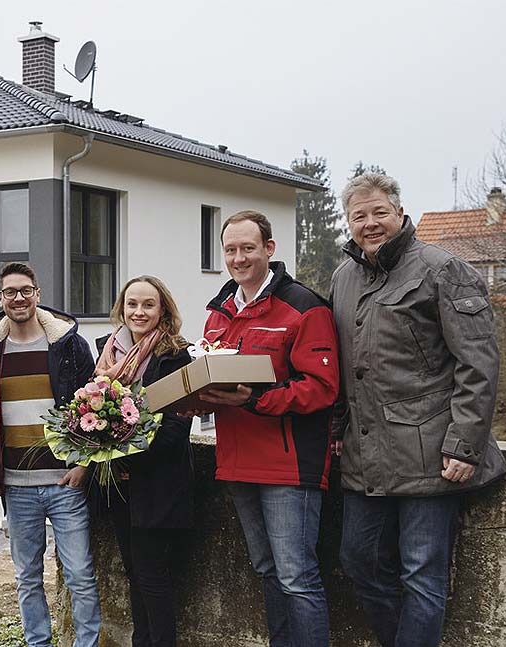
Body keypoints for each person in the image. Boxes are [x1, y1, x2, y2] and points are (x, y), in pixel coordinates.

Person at [331, 172, 506, 647]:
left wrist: (465, 446)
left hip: (432, 453)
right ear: (348, 223)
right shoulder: (343, 276)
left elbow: (478, 363)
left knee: (422, 575)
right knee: (358, 560)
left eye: (379, 212)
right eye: (358, 215)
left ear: (400, 212)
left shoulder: (443, 268)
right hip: (364, 454)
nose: (370, 223)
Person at [194, 210, 339, 647]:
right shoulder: (218, 313)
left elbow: (322, 388)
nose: (238, 258)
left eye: (248, 248)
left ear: (269, 250)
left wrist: (255, 400)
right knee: (267, 570)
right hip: (237, 461)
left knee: (297, 575)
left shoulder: (304, 306)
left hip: (289, 466)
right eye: (231, 249)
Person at [0, 262, 101, 647]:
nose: (19, 298)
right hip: (16, 487)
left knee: (80, 574)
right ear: (1, 299)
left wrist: (84, 464)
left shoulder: (67, 345)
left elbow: (94, 407)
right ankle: (38, 643)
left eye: (26, 290)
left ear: (38, 294)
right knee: (27, 577)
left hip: (66, 481)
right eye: (10, 292)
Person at [95, 275, 194, 647]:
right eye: (131, 304)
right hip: (120, 488)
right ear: (121, 308)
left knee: (153, 576)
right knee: (134, 574)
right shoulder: (107, 351)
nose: (139, 312)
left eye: (148, 305)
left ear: (163, 310)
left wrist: (120, 455)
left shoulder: (175, 355)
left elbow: (174, 430)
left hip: (158, 484)